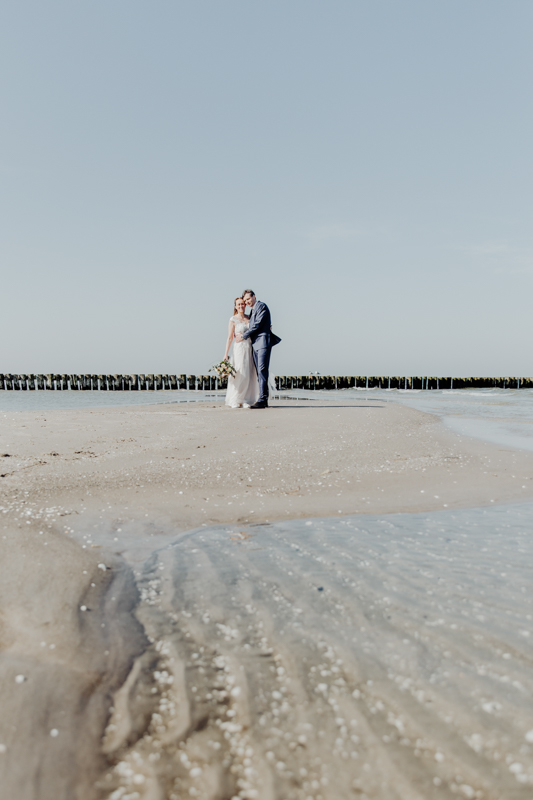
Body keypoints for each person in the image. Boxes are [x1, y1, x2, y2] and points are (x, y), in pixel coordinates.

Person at [235, 289, 272, 409]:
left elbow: (257, 325)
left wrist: (244, 336)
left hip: (262, 342)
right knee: (258, 372)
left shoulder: (261, 306)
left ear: (254, 296)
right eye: (245, 300)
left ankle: (262, 399)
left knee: (262, 369)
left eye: (248, 299)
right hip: (255, 344)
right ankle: (262, 398)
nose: (247, 302)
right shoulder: (252, 311)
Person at [223, 296, 259, 408]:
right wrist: (225, 354)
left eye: (242, 304)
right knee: (239, 372)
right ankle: (235, 399)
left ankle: (245, 399)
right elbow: (229, 338)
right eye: (238, 304)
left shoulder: (250, 318)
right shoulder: (233, 319)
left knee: (248, 372)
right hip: (239, 349)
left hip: (249, 347)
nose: (241, 306)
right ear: (235, 306)